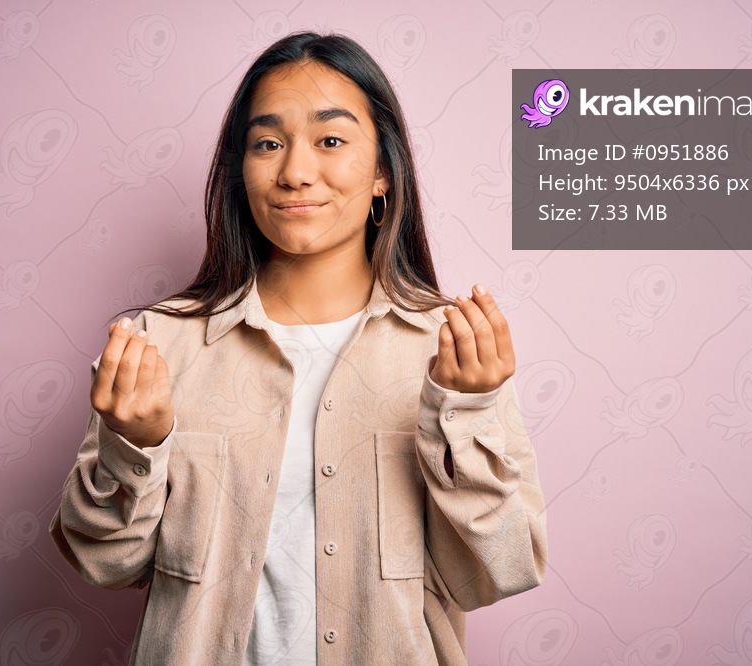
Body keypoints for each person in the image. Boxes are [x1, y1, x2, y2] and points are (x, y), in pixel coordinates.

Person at [49, 31, 547, 665]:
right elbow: (102, 563)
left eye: (331, 140)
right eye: (268, 143)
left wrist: (468, 411)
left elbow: (497, 571)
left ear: (382, 175)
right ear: (240, 171)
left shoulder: (448, 349)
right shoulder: (159, 343)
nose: (294, 172)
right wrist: (135, 443)